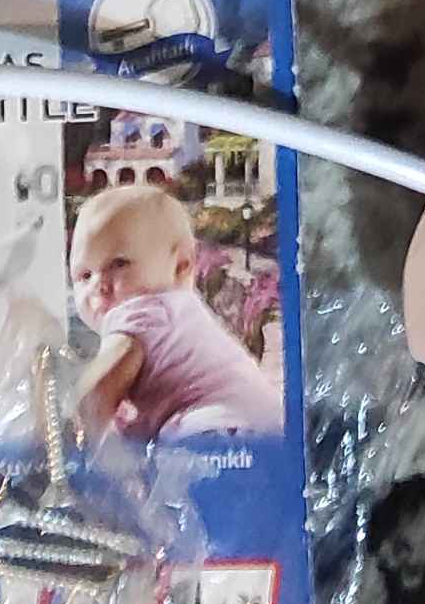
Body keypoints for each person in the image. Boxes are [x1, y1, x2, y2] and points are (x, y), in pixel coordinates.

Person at [70, 182, 285, 442]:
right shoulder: (181, 313)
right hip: (265, 423)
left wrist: (58, 439)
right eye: (84, 275)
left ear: (181, 265)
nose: (98, 286)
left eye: (119, 264)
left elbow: (95, 397)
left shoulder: (141, 313)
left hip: (218, 428)